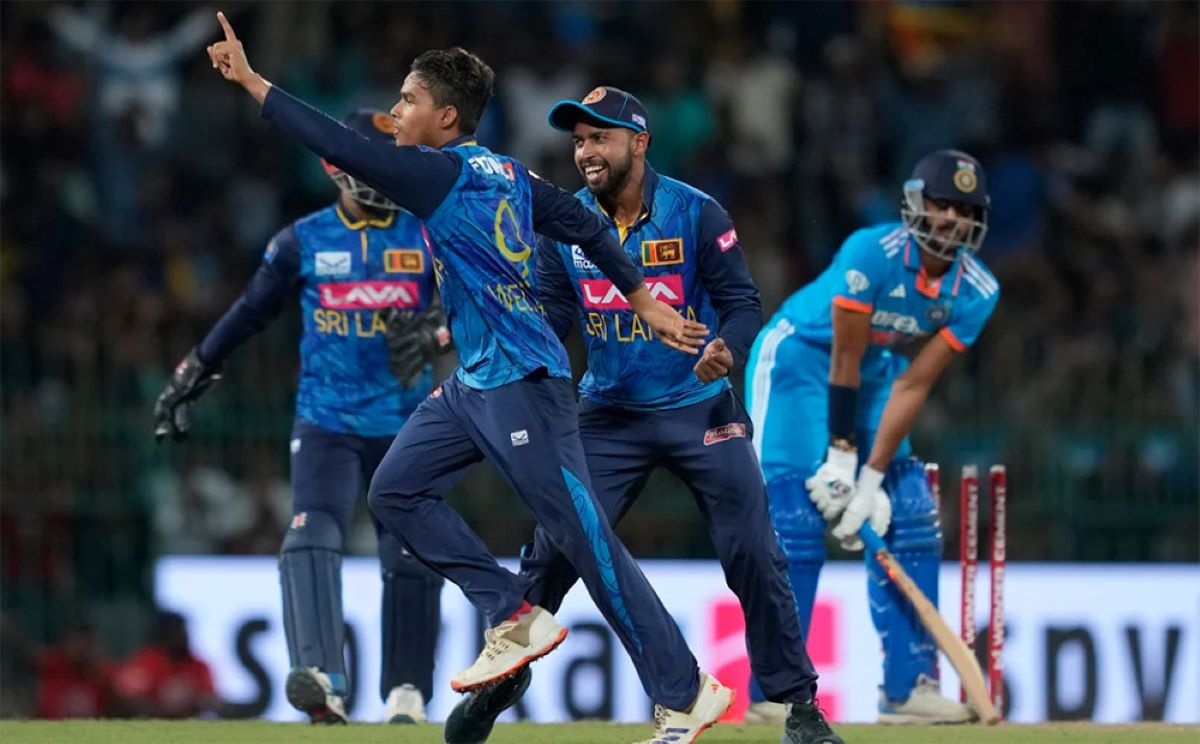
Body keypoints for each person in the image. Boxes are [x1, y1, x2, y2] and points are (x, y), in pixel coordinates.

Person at [205, 14, 735, 744]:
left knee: (585, 539)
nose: (397, 113)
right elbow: (585, 226)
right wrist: (641, 295)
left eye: (409, 100)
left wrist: (252, 81)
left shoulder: (434, 172)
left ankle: (687, 692)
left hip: (522, 379)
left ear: (446, 117)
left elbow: (337, 143)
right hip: (476, 381)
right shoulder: (508, 172)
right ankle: (512, 613)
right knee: (394, 490)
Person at [444, 87, 843, 744]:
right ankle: (503, 681)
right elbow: (556, 312)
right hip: (608, 412)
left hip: (699, 408)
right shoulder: (566, 221)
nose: (586, 152)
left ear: (639, 142)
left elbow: (742, 303)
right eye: (579, 141)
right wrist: (503, 332)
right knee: (555, 547)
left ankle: (798, 705)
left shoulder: (696, 212)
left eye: (599, 137)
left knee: (752, 549)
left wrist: (728, 349)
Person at [152, 109, 448, 725]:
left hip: (407, 424)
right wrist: (195, 368)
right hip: (326, 420)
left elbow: (481, 305)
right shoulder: (302, 241)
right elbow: (250, 311)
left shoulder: (428, 233)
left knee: (412, 552)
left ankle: (407, 695)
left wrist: (436, 333)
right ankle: (321, 679)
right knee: (310, 537)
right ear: (332, 164)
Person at [744, 149, 999, 724]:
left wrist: (872, 478)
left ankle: (908, 689)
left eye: (965, 210)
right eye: (942, 204)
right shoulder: (871, 251)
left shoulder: (977, 290)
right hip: (798, 359)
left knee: (910, 507)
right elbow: (843, 355)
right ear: (916, 204)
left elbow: (914, 383)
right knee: (794, 517)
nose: (952, 219)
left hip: (879, 370)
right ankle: (776, 690)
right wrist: (841, 460)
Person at [113, 610, 220, 719]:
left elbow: (211, 701)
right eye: (179, 631)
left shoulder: (199, 666)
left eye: (186, 631)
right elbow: (128, 702)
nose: (185, 636)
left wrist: (194, 704)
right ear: (165, 633)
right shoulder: (145, 662)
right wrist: (166, 712)